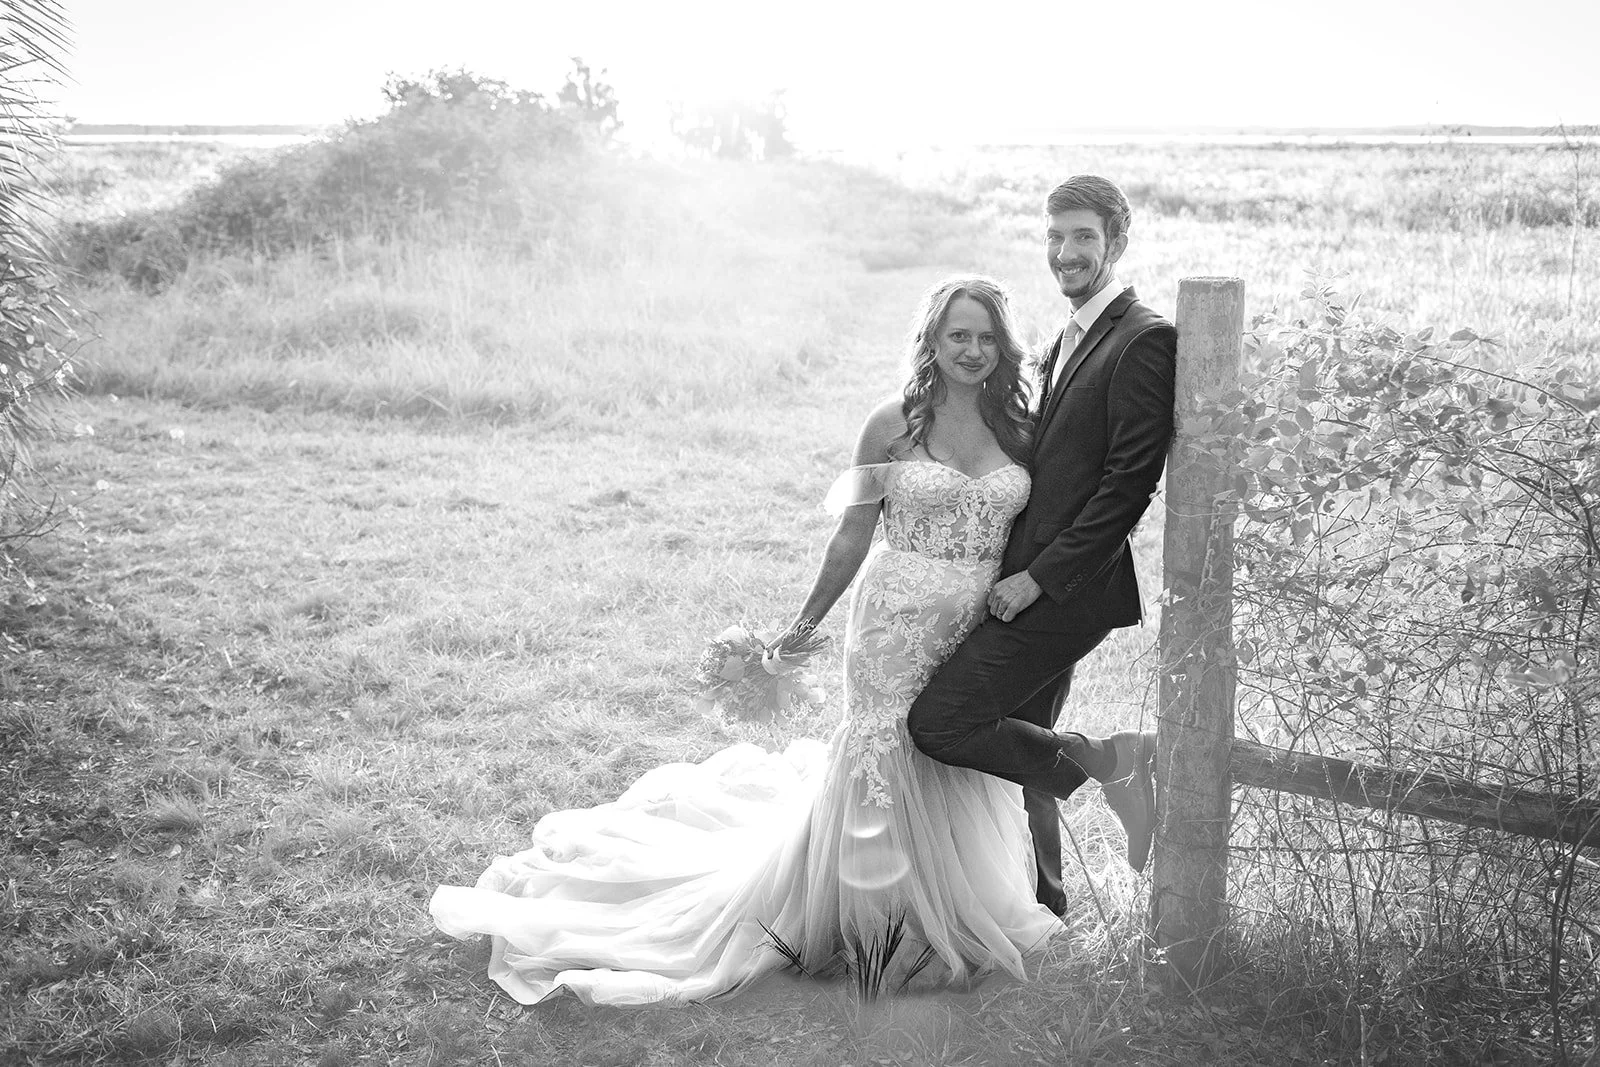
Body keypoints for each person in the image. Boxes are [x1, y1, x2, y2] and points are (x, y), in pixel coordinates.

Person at [429, 275, 1063, 1005]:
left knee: (957, 752)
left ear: (1003, 346)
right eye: (959, 334)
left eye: (987, 337)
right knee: (888, 753)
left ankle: (960, 906)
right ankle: (879, 921)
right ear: (932, 338)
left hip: (980, 628)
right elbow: (852, 532)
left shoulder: (1020, 428)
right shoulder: (891, 424)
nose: (973, 350)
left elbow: (1043, 528)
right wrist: (800, 630)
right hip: (893, 625)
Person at [907, 175, 1177, 915]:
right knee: (1027, 740)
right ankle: (1044, 905)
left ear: (1115, 242)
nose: (1065, 252)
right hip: (1030, 579)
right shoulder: (1070, 335)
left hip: (1066, 590)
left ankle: (1116, 764)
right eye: (1055, 237)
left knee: (941, 721)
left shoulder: (1144, 339)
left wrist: (1039, 579)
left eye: (1083, 236)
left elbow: (1126, 486)